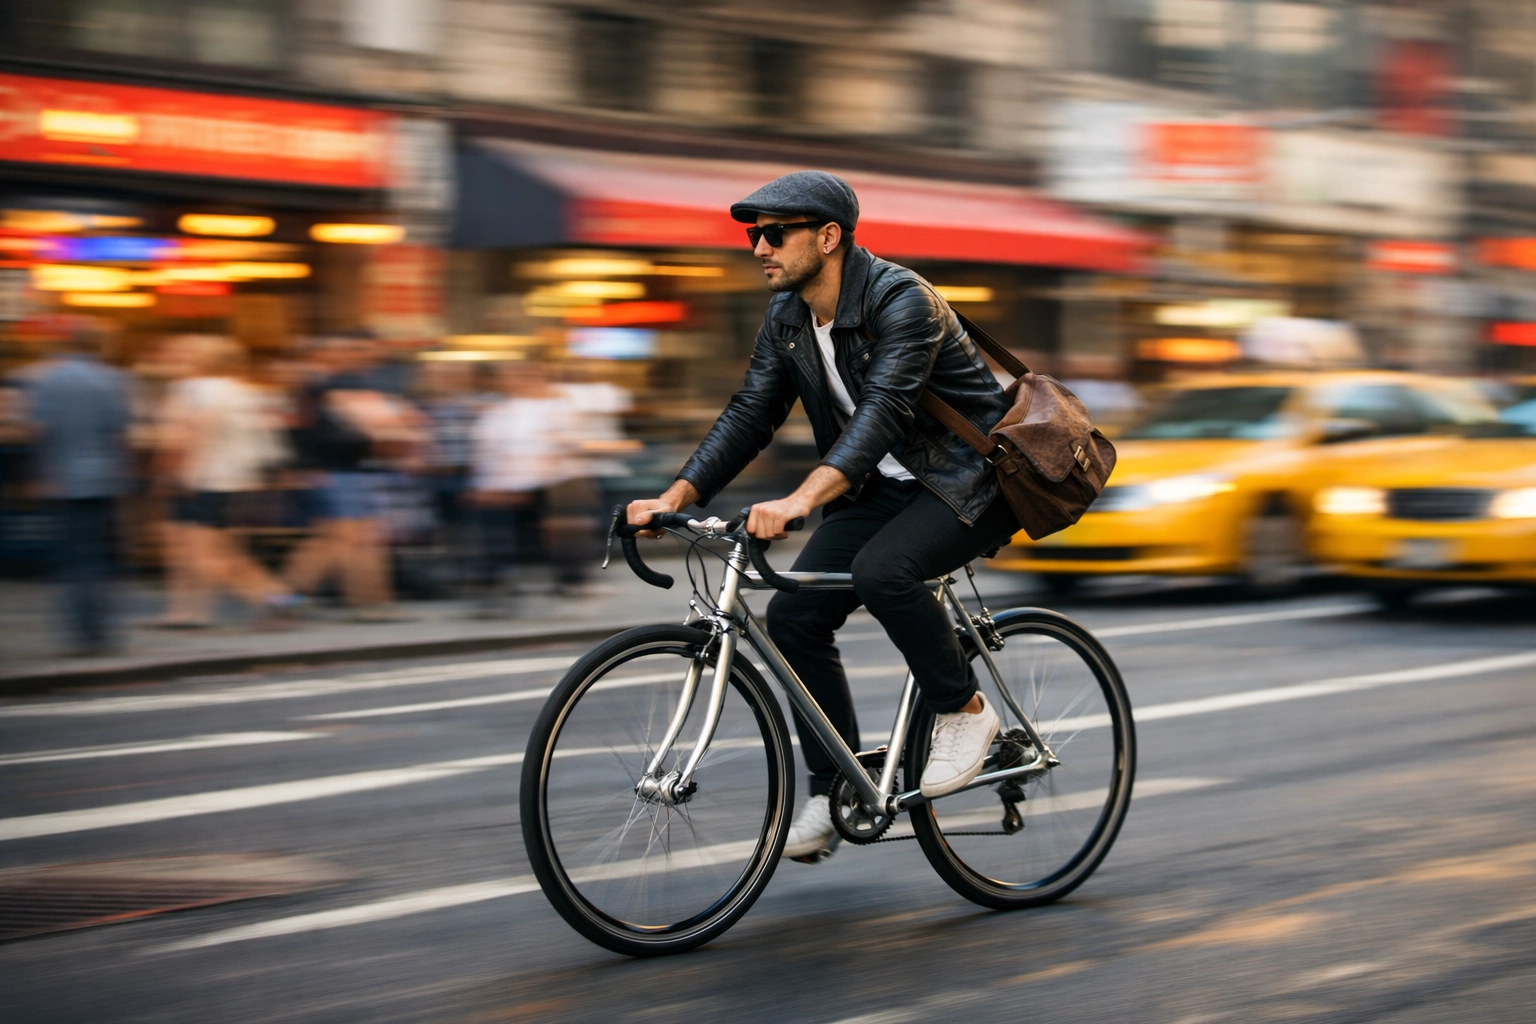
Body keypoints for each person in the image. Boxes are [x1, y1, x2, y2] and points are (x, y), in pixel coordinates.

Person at [626, 171, 1017, 862]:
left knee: (884, 571)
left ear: (828, 237)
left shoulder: (903, 301)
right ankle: (834, 785)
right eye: (754, 235)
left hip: (967, 483)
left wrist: (801, 500)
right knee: (794, 618)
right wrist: (676, 497)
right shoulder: (787, 316)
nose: (758, 248)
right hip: (880, 491)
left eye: (774, 234)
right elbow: (751, 413)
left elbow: (881, 416)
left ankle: (965, 711)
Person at [157, 336, 294, 627]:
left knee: (205, 557)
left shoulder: (198, 389)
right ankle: (190, 612)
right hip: (231, 481)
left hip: (203, 480)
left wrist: (181, 470)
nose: (178, 356)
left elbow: (199, 428)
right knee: (215, 552)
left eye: (188, 353)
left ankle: (278, 602)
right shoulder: (240, 390)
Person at [26, 315, 131, 656]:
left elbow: (40, 431)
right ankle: (103, 634)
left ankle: (81, 635)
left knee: (72, 561)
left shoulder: (50, 380)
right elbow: (119, 432)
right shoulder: (112, 379)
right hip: (104, 478)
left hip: (65, 479)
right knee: (100, 558)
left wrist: (41, 473)